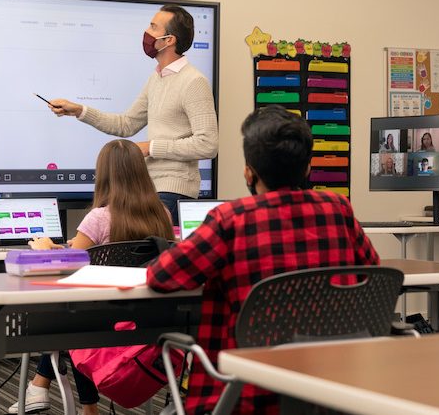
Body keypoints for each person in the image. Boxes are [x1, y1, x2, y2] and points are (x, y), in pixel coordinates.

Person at [146, 105, 380, 414]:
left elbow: (161, 277)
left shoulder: (230, 220)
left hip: (246, 394)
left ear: (249, 172)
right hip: (332, 391)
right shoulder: (338, 209)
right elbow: (373, 272)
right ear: (307, 169)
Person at [7, 139, 174, 415]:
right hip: (148, 321)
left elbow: (68, 265)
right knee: (74, 320)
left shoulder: (97, 218)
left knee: (68, 321)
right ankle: (42, 389)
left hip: (102, 324)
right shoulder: (162, 214)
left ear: (104, 175)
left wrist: (44, 248)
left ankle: (75, 402)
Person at [45, 5, 219, 223]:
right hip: (150, 189)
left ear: (169, 40)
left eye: (153, 27)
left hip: (173, 192)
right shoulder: (157, 79)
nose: (146, 32)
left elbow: (208, 144)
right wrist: (80, 110)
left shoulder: (194, 82)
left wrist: (150, 147)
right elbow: (126, 124)